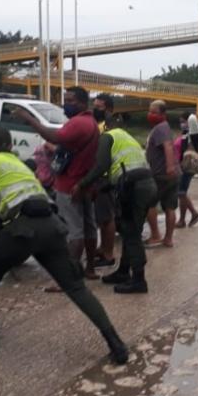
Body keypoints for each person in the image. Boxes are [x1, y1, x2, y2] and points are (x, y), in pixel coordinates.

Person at [0, 126, 129, 364]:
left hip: (21, 230)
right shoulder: (21, 165)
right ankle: (115, 343)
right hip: (53, 226)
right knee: (76, 288)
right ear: (10, 146)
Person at [16, 86, 101, 286]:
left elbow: (54, 137)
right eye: (65, 99)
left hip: (70, 184)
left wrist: (30, 119)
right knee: (89, 228)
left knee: (75, 231)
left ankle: (69, 278)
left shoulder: (79, 122)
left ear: (82, 102)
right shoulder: (90, 122)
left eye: (70, 100)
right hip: (85, 183)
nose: (66, 104)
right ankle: (89, 269)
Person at [77, 117, 157, 294]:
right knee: (131, 231)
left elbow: (101, 166)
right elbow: (122, 168)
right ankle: (123, 272)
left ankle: (138, 280)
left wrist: (82, 185)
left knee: (131, 233)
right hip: (146, 183)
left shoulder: (106, 137)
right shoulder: (125, 136)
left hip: (132, 186)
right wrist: (105, 187)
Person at [144, 101, 180, 248]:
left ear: (162, 114)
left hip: (161, 174)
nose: (150, 115)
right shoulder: (164, 127)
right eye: (149, 111)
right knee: (170, 206)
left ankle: (155, 235)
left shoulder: (160, 128)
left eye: (154, 112)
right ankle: (168, 239)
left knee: (149, 204)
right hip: (170, 174)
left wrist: (170, 167)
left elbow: (168, 147)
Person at [91, 94, 118, 269]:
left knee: (106, 217)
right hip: (100, 176)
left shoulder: (110, 126)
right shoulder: (101, 124)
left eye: (99, 107)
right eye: (94, 106)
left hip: (105, 177)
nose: (95, 109)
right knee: (102, 217)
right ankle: (103, 249)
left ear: (108, 109)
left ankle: (108, 254)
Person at [175, 121, 198, 229]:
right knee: (182, 193)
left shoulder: (191, 136)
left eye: (183, 121)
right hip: (184, 167)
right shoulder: (185, 135)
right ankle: (182, 220)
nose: (181, 123)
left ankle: (194, 213)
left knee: (181, 193)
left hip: (185, 168)